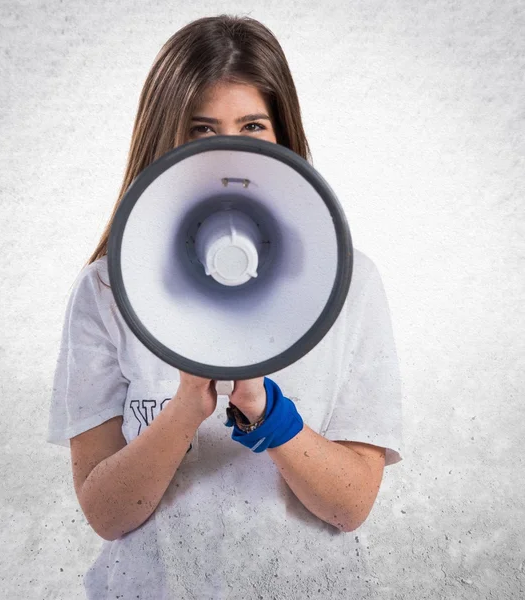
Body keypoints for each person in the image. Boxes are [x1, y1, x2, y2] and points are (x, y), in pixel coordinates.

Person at [47, 14, 403, 600]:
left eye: (253, 125)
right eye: (201, 130)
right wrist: (189, 403)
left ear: (284, 136)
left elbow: (349, 506)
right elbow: (107, 515)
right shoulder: (107, 292)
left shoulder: (350, 284)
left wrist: (268, 413)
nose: (229, 151)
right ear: (165, 140)